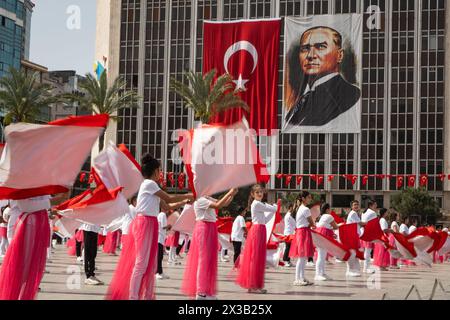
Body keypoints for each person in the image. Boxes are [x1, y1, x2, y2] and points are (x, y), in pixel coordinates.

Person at [106, 154, 193, 300]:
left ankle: (146, 295)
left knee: (150, 264)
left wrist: (186, 201)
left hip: (150, 223)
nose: (161, 173)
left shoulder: (153, 187)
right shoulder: (149, 183)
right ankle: (133, 296)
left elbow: (166, 206)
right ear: (154, 171)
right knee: (141, 263)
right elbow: (169, 198)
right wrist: (187, 195)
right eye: (159, 170)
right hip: (144, 223)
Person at [285, 26, 361, 128]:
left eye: (320, 47)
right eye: (305, 48)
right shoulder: (304, 96)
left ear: (340, 55)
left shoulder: (349, 93)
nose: (311, 55)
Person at [182, 189, 237, 300]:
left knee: (208, 261)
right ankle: (201, 292)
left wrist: (233, 193)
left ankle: (206, 291)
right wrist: (230, 192)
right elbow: (218, 205)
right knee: (203, 261)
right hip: (203, 228)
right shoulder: (200, 199)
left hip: (210, 227)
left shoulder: (207, 198)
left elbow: (224, 203)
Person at [0, 196, 53, 300]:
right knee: (21, 271)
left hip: (36, 226)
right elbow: (25, 206)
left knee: (30, 271)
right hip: (24, 227)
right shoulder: (24, 181)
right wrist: (51, 202)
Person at [236, 184, 278, 294]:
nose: (260, 194)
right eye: (257, 192)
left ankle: (253, 285)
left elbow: (265, 219)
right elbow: (272, 208)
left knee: (257, 259)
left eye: (261, 192)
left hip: (260, 229)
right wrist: (275, 206)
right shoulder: (257, 204)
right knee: (256, 259)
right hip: (258, 231)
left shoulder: (258, 205)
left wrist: (274, 209)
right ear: (252, 194)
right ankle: (253, 285)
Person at [289, 191, 315, 286]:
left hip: (301, 232)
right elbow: (311, 223)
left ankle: (301, 277)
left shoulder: (300, 208)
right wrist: (312, 224)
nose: (310, 199)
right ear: (303, 198)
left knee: (303, 257)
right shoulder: (305, 209)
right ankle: (297, 279)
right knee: (302, 257)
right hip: (303, 232)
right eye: (308, 197)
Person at [314, 203, 339, 281]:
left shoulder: (322, 216)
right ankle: (318, 274)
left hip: (321, 235)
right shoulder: (329, 216)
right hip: (323, 236)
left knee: (322, 255)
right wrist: (342, 224)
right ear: (327, 209)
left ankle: (322, 273)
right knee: (321, 256)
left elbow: (327, 227)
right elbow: (335, 226)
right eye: (330, 209)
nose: (331, 210)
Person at [345, 200, 366, 277]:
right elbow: (360, 223)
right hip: (351, 235)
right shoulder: (353, 213)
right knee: (352, 253)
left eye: (357, 204)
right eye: (354, 205)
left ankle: (354, 270)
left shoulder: (355, 214)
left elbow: (359, 224)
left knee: (355, 253)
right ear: (351, 206)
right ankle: (349, 270)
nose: (356, 206)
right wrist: (369, 223)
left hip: (354, 235)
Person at [360, 200, 378, 274]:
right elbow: (375, 225)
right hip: (368, 233)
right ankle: (366, 268)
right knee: (368, 251)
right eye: (375, 204)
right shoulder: (373, 213)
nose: (376, 206)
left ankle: (365, 267)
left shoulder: (363, 212)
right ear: (371, 205)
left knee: (366, 251)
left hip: (363, 232)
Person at [156, 209, 172, 280]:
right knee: (159, 257)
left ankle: (160, 272)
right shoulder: (162, 214)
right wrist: (169, 225)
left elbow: (163, 228)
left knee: (160, 256)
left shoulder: (162, 215)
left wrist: (168, 227)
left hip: (161, 238)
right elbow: (163, 227)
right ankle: (157, 273)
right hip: (159, 238)